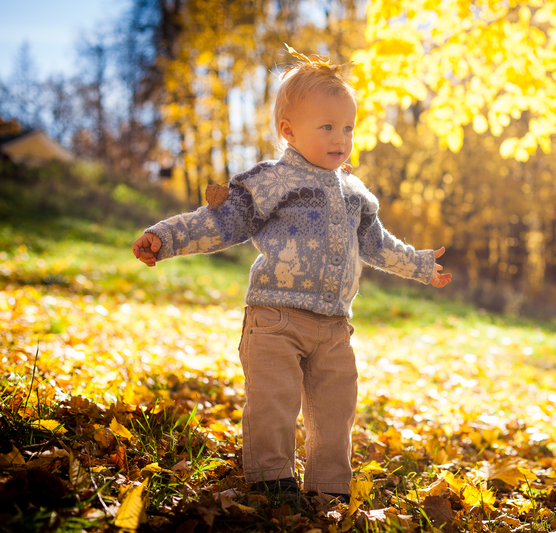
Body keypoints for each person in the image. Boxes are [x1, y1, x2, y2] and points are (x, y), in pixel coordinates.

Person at [132, 48, 451, 503]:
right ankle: (270, 483)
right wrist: (165, 238)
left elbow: (376, 244)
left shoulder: (356, 192)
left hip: (334, 328)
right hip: (275, 318)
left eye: (348, 128)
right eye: (327, 127)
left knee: (336, 409)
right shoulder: (274, 179)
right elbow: (223, 221)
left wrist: (420, 265)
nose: (341, 139)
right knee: (273, 403)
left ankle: (329, 489)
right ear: (289, 131)